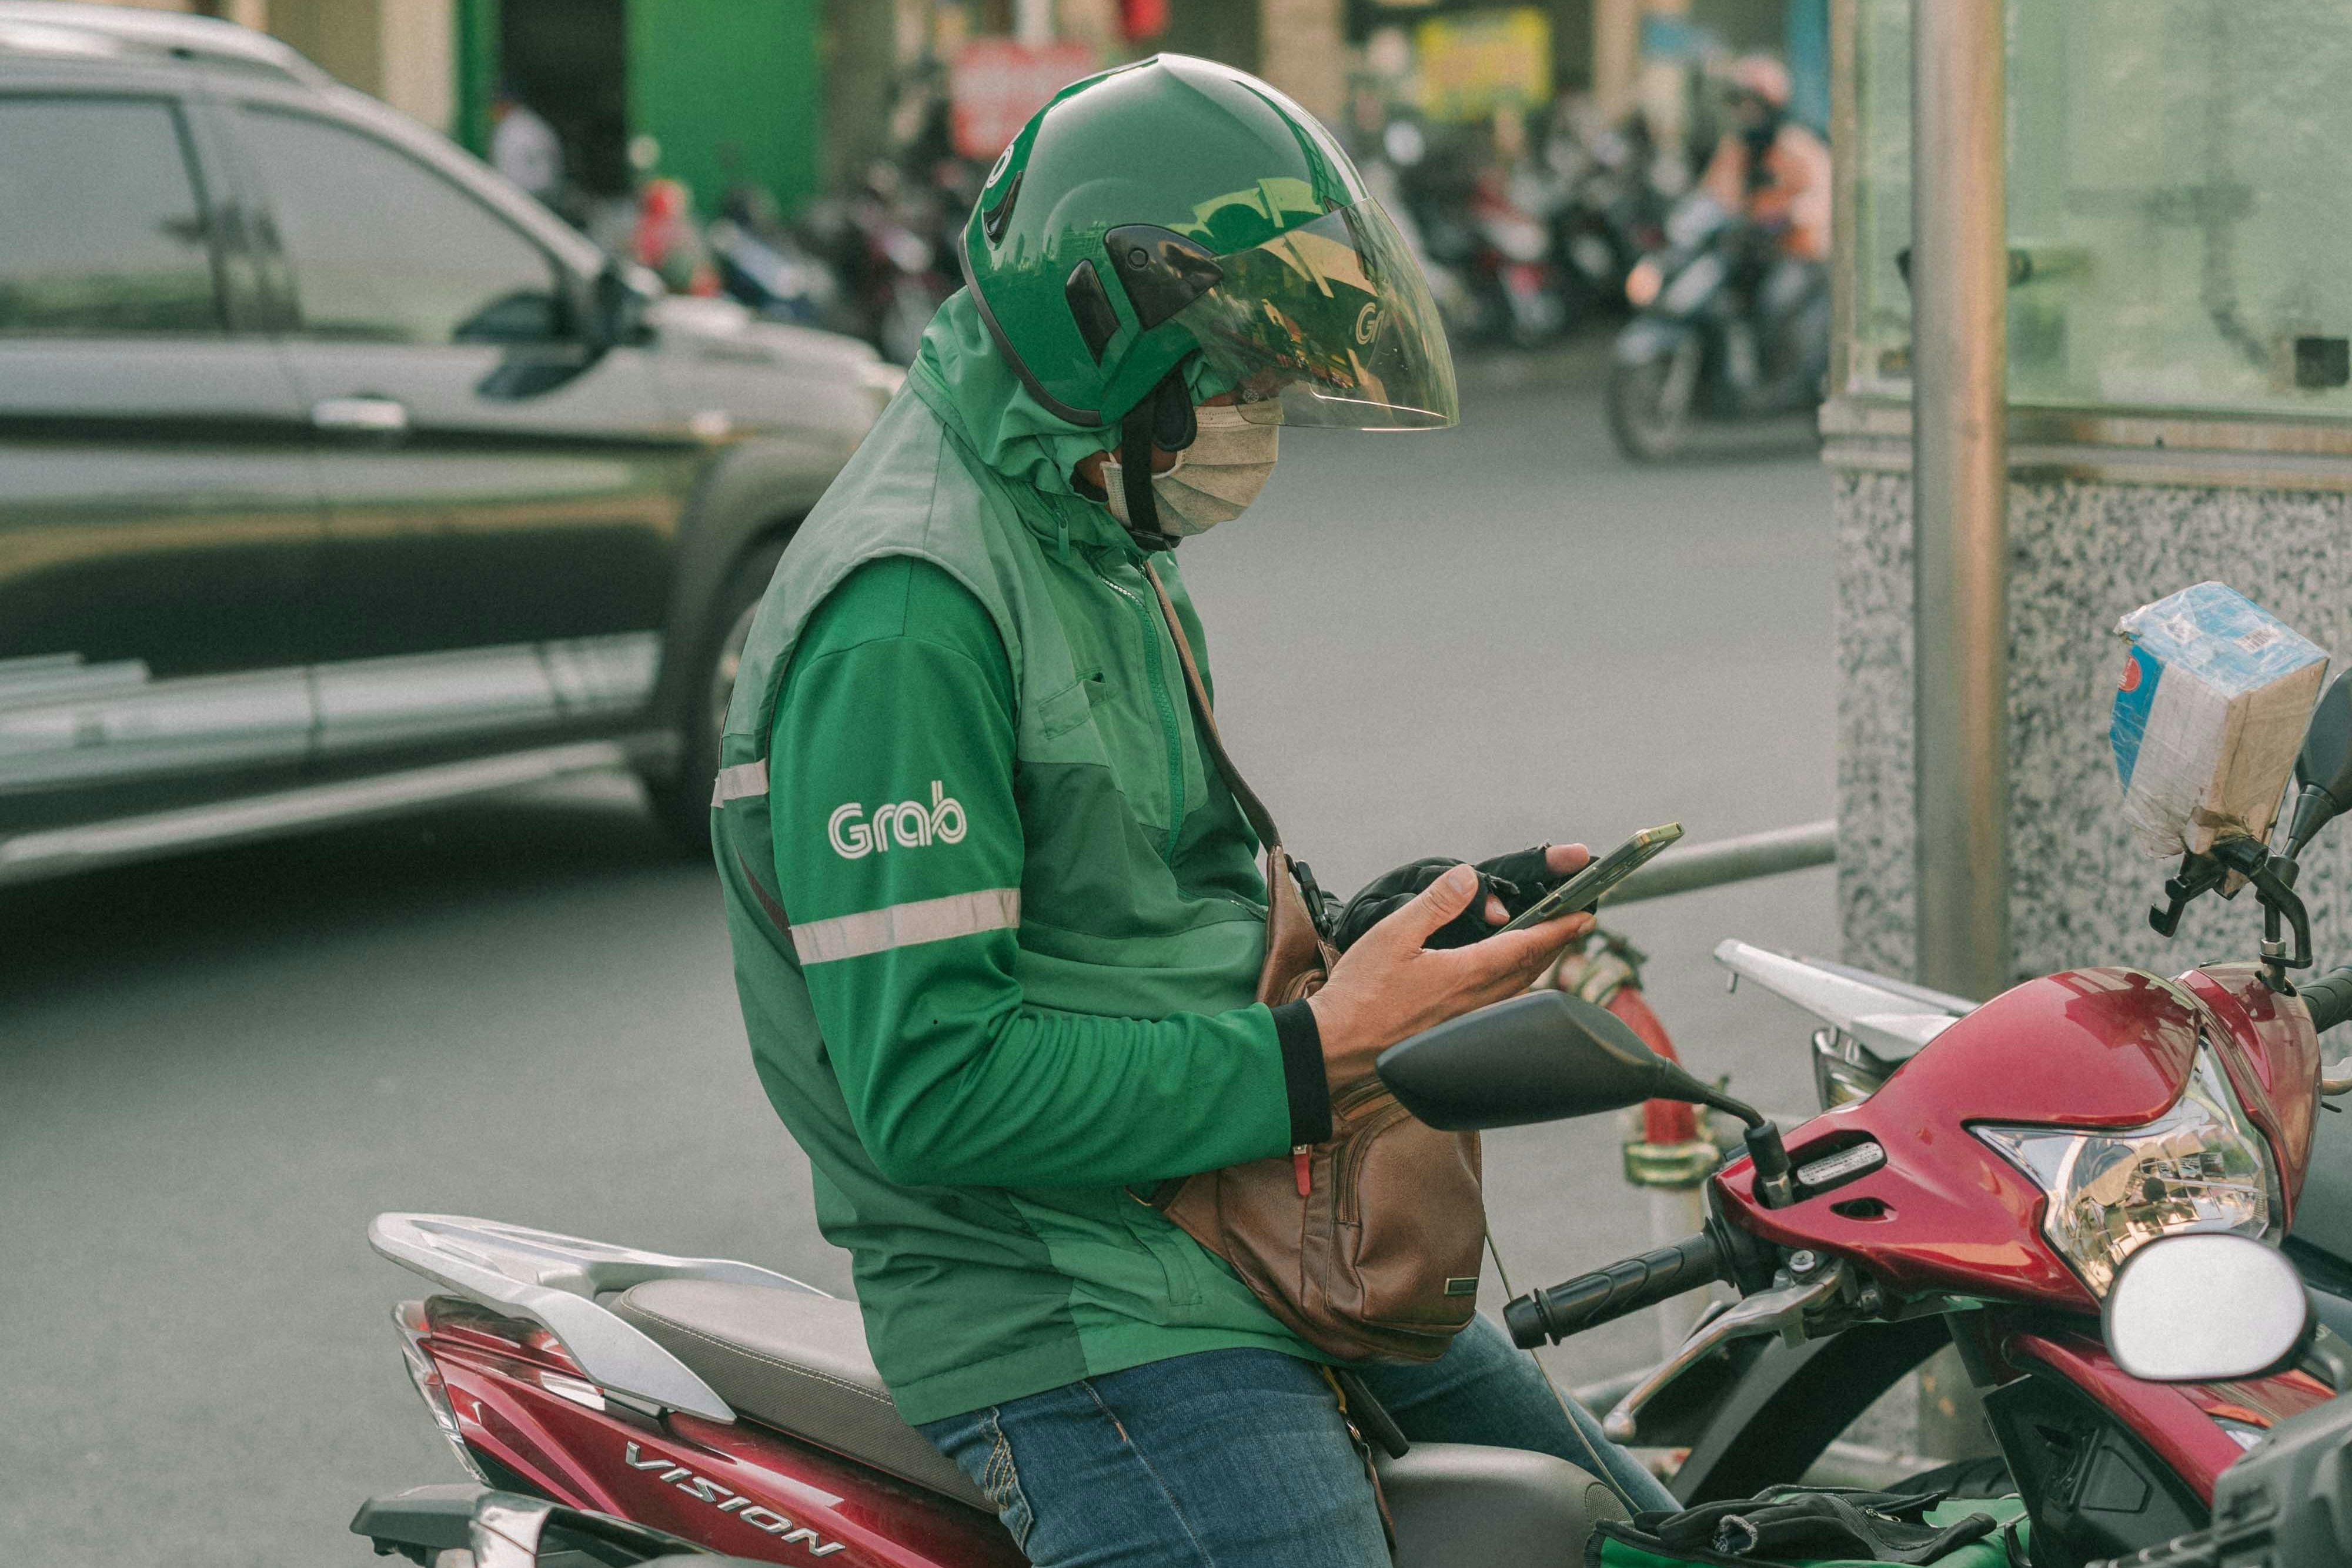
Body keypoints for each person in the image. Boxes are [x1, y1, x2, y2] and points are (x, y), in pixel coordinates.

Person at [711, 55, 1676, 1567]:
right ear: (1108, 331)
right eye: (1242, 367)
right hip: (1077, 1312)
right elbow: (935, 1090)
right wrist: (1318, 1049)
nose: (1261, 409)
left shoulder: (1094, 521)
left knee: (1637, 1539)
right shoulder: (906, 615)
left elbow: (1145, 906)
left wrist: (1382, 937)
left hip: (1247, 1228)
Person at [1698, 54, 1831, 397]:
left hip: (1797, 253)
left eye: (1752, 104)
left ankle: (1784, 381)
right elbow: (1713, 194)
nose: (1745, 113)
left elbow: (1823, 195)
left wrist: (1790, 215)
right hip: (1747, 251)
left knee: (1775, 303)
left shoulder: (1797, 146)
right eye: (1738, 104)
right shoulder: (1735, 149)